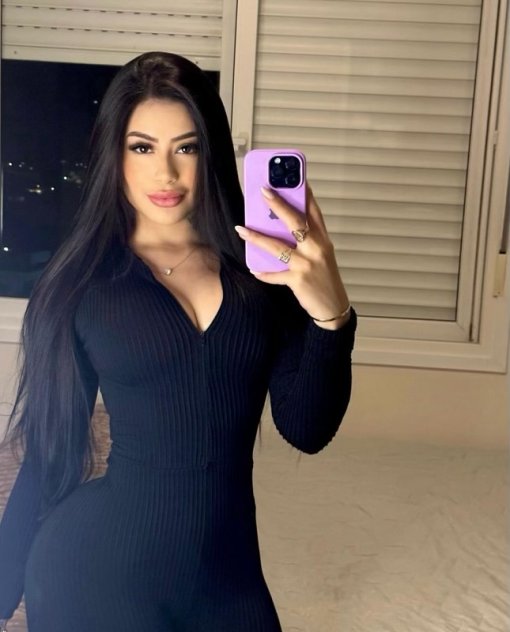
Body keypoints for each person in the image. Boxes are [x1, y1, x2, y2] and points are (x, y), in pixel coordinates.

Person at [0, 51, 356, 631]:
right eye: (142, 148)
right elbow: (48, 453)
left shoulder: (262, 275)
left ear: (209, 152)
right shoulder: (80, 285)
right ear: (114, 154)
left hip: (229, 580)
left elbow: (307, 429)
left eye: (185, 148)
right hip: (94, 574)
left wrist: (331, 315)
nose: (165, 173)